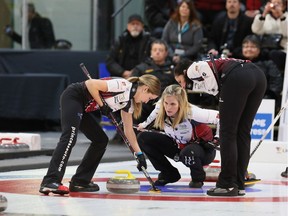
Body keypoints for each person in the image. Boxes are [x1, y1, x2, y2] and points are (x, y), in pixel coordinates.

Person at [39, 74, 161, 195]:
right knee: (70, 136)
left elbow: (128, 130)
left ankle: (80, 181)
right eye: (149, 98)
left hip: (85, 107)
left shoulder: (129, 103)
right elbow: (90, 84)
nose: (146, 102)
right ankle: (51, 180)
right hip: (74, 97)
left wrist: (139, 154)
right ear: (145, 89)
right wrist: (102, 106)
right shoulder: (123, 85)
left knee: (101, 140)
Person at [174, 57, 266, 196]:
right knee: (243, 132)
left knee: (227, 133)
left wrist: (219, 93)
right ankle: (239, 184)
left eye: (180, 80)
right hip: (258, 76)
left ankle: (227, 184)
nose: (182, 85)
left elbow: (203, 68)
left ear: (184, 71)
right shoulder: (214, 64)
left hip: (237, 77)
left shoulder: (192, 69)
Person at [137, 84, 219, 188]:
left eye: (172, 104)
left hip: (203, 150)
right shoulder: (160, 107)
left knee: (188, 152)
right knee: (143, 138)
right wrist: (143, 125)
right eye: (166, 103)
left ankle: (197, 178)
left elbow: (221, 117)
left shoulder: (193, 112)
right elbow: (151, 118)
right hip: (179, 146)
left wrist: (217, 138)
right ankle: (169, 174)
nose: (168, 108)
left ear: (181, 104)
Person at [131, 39, 178, 124]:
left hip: (164, 102)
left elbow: (177, 87)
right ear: (151, 52)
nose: (157, 52)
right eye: (155, 50)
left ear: (166, 53)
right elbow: (132, 84)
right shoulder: (141, 68)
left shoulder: (173, 70)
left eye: (160, 50)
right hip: (144, 103)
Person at [241, 34, 283, 112]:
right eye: (246, 47)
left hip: (263, 100)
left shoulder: (268, 64)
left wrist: (269, 97)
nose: (249, 49)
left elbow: (276, 83)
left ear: (259, 49)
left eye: (253, 47)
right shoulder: (236, 64)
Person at [106, 14, 153, 79]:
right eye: (132, 24)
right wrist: (122, 72)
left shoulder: (149, 41)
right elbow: (110, 61)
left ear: (142, 26)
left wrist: (136, 71)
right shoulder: (120, 41)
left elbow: (151, 60)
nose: (135, 26)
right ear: (128, 26)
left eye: (138, 24)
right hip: (121, 77)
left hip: (142, 77)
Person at [251, 0, 287, 71]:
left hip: (283, 49)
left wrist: (281, 16)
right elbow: (256, 30)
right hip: (265, 47)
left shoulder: (286, 17)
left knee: (275, 54)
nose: (275, 5)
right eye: (273, 3)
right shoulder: (263, 16)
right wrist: (264, 13)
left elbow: (286, 32)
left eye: (278, 3)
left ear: (284, 6)